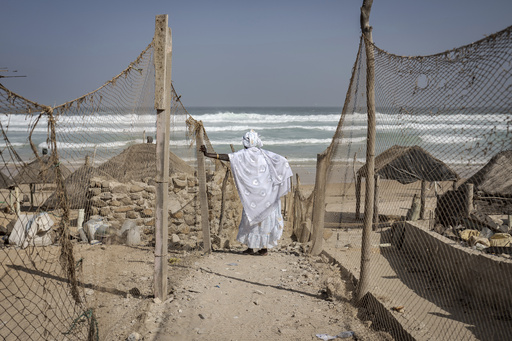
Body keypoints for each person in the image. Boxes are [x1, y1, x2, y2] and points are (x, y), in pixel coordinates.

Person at [200, 130, 293, 256]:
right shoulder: (265, 154)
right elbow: (282, 161)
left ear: (245, 142)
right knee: (265, 220)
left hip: (253, 198)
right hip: (267, 195)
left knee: (250, 218)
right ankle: (262, 248)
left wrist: (208, 154)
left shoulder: (243, 154)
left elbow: (227, 157)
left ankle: (251, 248)